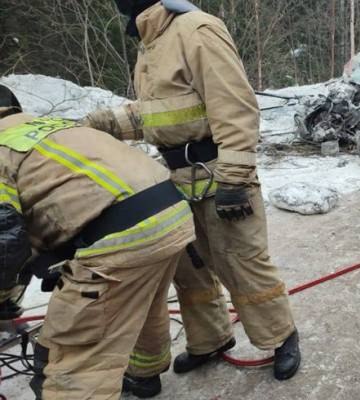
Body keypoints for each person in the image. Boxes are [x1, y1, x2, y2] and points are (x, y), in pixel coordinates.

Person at [84, 0, 301, 393]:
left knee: (241, 262)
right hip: (178, 176)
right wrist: (101, 124)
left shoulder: (196, 28)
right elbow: (161, 114)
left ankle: (281, 336)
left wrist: (235, 177)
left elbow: (234, 105)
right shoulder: (152, 41)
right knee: (190, 268)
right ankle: (211, 340)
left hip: (220, 171)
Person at [0, 84, 196, 399]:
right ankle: (144, 374)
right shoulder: (45, 125)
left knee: (76, 350)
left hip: (121, 234)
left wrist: (3, 296)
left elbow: (5, 242)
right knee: (142, 301)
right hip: (172, 212)